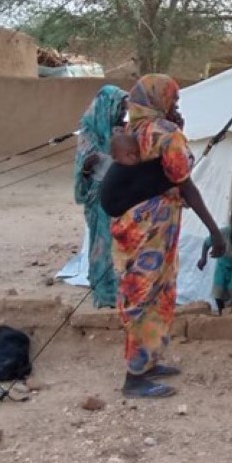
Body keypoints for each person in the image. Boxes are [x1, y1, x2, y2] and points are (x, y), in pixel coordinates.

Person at [111, 74, 226, 399]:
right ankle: (134, 377)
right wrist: (214, 231)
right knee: (147, 294)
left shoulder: (132, 129)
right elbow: (184, 182)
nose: (175, 105)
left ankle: (147, 361)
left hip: (133, 226)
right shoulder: (166, 132)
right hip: (153, 230)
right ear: (158, 100)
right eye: (171, 100)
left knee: (151, 291)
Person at [74, 85, 128, 308]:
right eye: (118, 106)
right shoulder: (89, 129)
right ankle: (103, 294)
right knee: (101, 245)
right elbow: (82, 174)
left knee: (123, 245)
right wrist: (87, 167)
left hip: (122, 195)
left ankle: (122, 292)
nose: (121, 112)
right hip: (98, 197)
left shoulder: (123, 130)